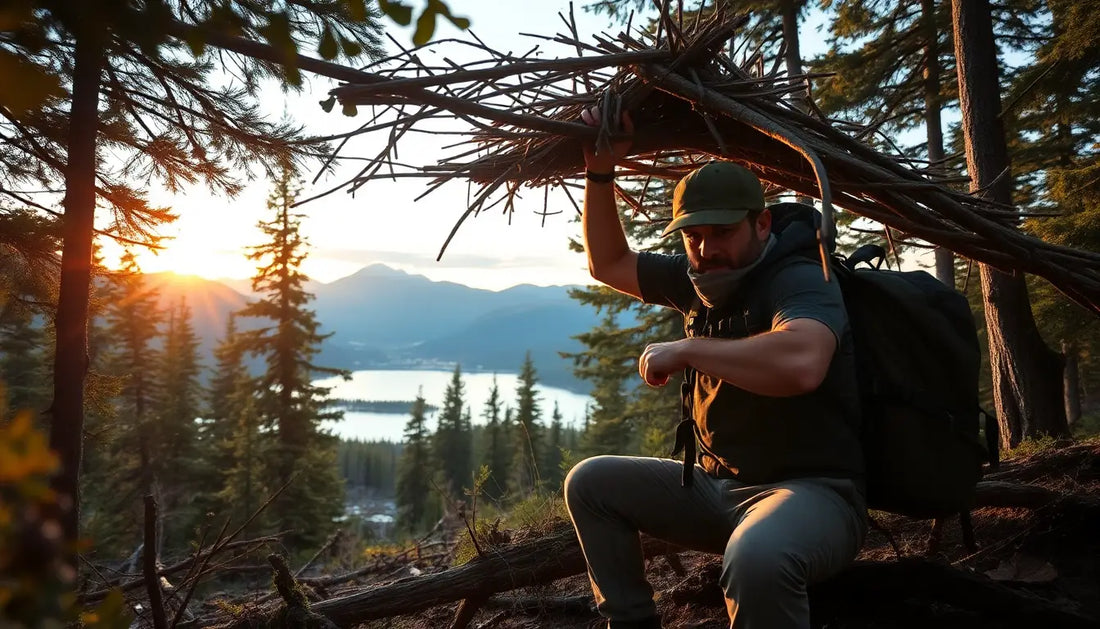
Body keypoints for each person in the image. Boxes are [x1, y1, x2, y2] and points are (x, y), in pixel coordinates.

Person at [563, 108, 867, 629]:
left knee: (757, 557)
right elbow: (609, 263)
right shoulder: (698, 278)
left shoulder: (799, 276)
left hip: (814, 494)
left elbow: (803, 361)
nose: (706, 250)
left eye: (721, 232)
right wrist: (599, 174)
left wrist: (688, 350)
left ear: (761, 222)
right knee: (591, 483)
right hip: (717, 489)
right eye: (693, 236)